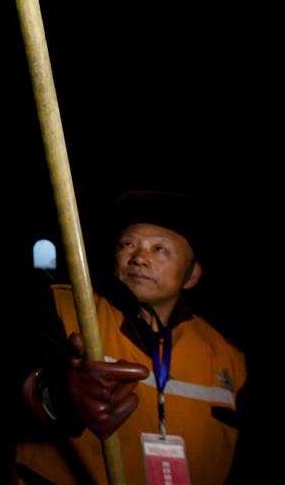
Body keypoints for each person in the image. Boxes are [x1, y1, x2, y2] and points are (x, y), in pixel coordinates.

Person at [13, 192, 246, 485]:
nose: (139, 258)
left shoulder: (228, 357)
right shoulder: (66, 307)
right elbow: (12, 377)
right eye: (128, 245)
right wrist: (58, 397)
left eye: (159, 249)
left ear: (191, 275)